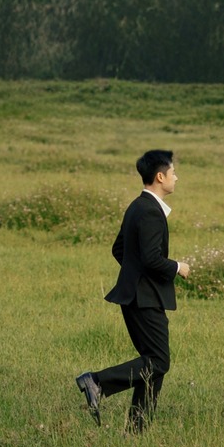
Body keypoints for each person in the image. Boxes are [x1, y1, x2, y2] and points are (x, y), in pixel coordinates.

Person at [76, 150, 190, 431]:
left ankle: (137, 431)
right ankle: (97, 381)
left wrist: (133, 275)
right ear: (160, 176)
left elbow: (120, 249)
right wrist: (178, 267)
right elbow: (151, 259)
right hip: (144, 298)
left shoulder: (137, 206)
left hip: (137, 295)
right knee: (159, 361)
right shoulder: (150, 211)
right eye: (173, 172)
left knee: (152, 363)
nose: (176, 177)